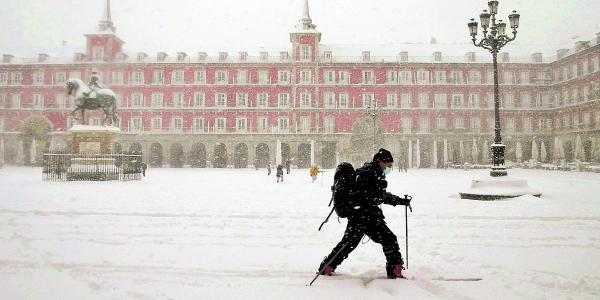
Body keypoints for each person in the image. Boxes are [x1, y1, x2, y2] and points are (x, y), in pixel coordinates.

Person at [317, 148, 412, 279]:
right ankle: (395, 271)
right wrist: (388, 197)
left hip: (361, 215)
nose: (390, 167)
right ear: (381, 162)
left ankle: (327, 266)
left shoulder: (372, 172)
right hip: (365, 216)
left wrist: (399, 200)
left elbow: (377, 196)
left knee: (348, 244)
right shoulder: (369, 174)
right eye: (388, 165)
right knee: (389, 239)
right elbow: (372, 197)